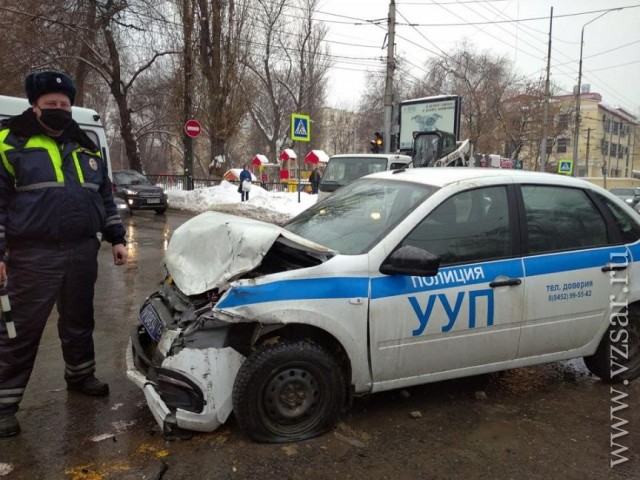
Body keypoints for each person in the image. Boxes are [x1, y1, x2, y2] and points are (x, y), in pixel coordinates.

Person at [0, 71, 128, 437]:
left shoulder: (85, 144)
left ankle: (80, 375)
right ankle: (4, 405)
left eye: (64, 104)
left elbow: (104, 196)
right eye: (50, 104)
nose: (58, 109)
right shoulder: (9, 142)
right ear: (34, 106)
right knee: (19, 331)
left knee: (78, 321)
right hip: (31, 254)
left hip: (81, 250)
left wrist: (116, 237)